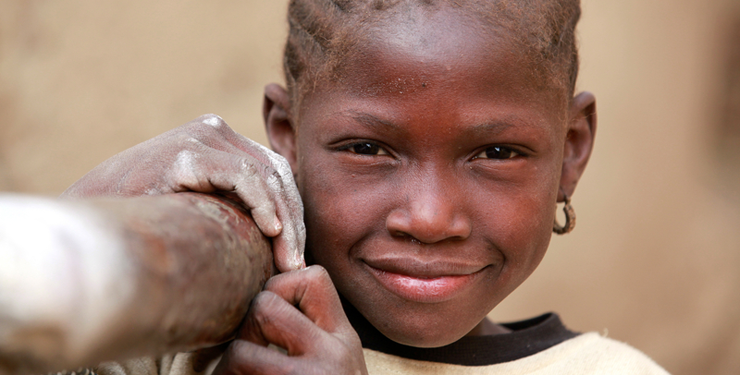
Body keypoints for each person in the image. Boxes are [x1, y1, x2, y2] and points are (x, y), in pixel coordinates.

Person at [64, 0, 669, 373]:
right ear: (287, 133)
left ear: (570, 151)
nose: (430, 218)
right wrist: (87, 210)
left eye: (496, 153)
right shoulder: (178, 339)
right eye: (367, 149)